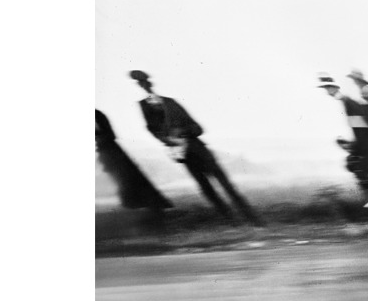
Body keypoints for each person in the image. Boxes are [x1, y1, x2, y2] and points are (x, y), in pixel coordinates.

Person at [129, 70, 264, 226]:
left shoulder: (171, 102)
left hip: (200, 150)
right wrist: (168, 140)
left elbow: (197, 127)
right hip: (184, 155)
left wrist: (183, 132)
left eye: (146, 82)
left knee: (226, 185)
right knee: (207, 189)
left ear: (151, 83)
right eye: (141, 83)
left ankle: (252, 219)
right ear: (139, 86)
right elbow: (152, 130)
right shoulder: (143, 106)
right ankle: (231, 221)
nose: (145, 86)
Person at [317, 73, 368, 196]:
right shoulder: (350, 102)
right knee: (353, 162)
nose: (327, 92)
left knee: (353, 163)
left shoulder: (350, 103)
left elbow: (364, 132)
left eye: (328, 88)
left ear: (334, 88)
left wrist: (353, 147)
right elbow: (362, 131)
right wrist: (351, 145)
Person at [95, 109, 173, 223]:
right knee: (126, 180)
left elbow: (108, 135)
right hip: (108, 151)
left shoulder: (97, 115)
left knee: (128, 180)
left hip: (111, 151)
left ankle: (154, 209)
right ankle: (151, 209)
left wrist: (99, 140)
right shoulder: (97, 115)